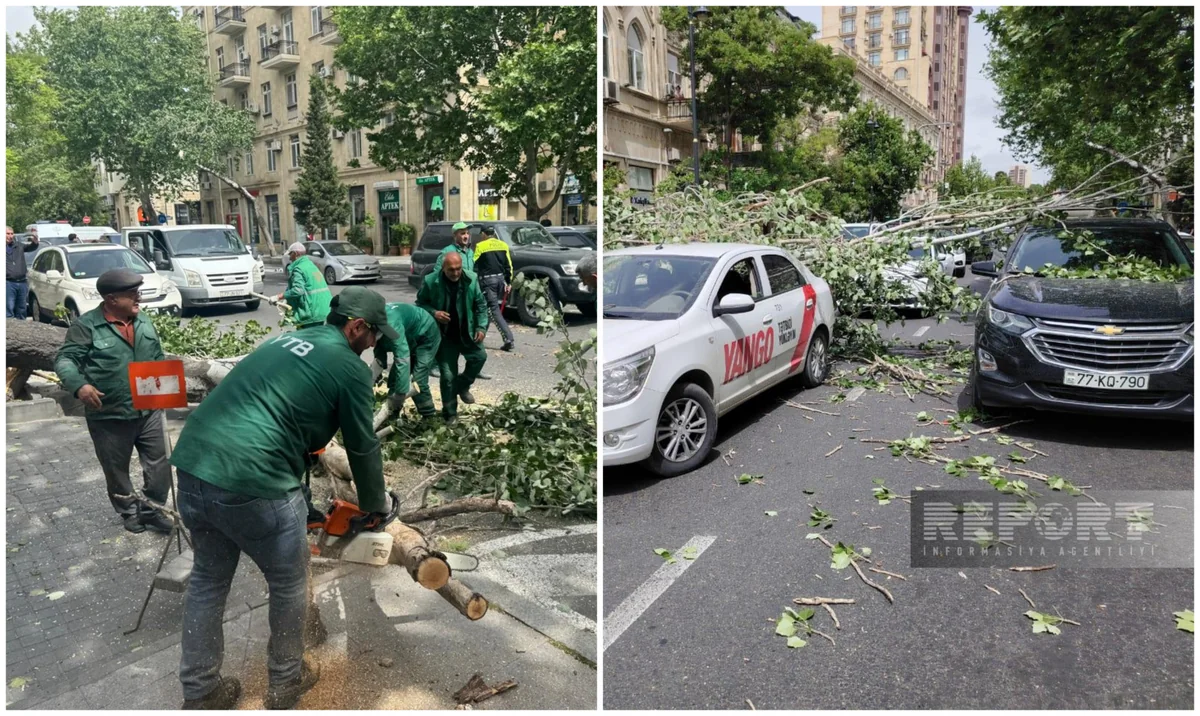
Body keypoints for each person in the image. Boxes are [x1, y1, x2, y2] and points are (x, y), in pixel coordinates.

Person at [169, 286, 398, 709]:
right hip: (253, 478)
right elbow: (363, 445)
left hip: (194, 464)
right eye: (374, 335)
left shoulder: (287, 338)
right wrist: (374, 501)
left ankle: (201, 692)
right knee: (289, 582)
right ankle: (285, 682)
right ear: (356, 327)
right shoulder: (349, 368)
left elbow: (284, 415)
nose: (374, 343)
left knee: (208, 581)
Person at [54, 268, 174, 535]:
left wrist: (167, 387)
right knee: (116, 469)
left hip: (149, 409)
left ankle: (152, 510)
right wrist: (79, 385)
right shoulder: (86, 326)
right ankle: (130, 512)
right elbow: (65, 359)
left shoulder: (143, 321)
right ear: (111, 299)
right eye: (132, 294)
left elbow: (156, 357)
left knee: (161, 463)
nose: (138, 298)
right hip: (109, 413)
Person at [416, 252, 488, 422]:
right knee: (448, 377)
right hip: (445, 337)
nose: (455, 273)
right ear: (443, 268)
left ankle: (463, 385)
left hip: (467, 333)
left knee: (480, 357)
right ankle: (450, 414)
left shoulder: (471, 279)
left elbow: (481, 305)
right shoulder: (430, 281)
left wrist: (481, 326)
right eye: (451, 270)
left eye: (458, 269)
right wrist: (434, 313)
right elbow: (420, 305)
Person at [372, 302, 443, 420]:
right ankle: (390, 417)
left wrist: (400, 393)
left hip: (426, 335)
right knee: (395, 379)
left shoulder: (391, 326)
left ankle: (429, 417)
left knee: (418, 380)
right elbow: (379, 352)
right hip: (409, 335)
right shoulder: (369, 321)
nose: (371, 345)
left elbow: (402, 357)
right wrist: (372, 377)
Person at [472, 226, 515, 351]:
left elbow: (472, 263)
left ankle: (508, 339)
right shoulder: (503, 245)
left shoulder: (481, 246)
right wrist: (508, 282)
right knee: (487, 310)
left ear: (484, 234)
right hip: (501, 280)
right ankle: (478, 338)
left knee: (493, 309)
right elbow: (509, 265)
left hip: (487, 281)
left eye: (482, 235)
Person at [274, 242, 331, 329]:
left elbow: (298, 290)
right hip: (324, 309)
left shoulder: (298, 268)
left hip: (311, 312)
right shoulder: (310, 265)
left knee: (307, 339)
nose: (289, 257)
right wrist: (287, 296)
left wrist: (279, 296)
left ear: (296, 254)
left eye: (290, 254)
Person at [6, 226, 39, 319]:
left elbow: (31, 247)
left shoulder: (18, 245)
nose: (10, 236)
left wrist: (35, 240)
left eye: (12, 234)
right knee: (9, 308)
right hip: (8, 282)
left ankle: (21, 331)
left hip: (22, 282)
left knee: (21, 308)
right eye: (8, 233)